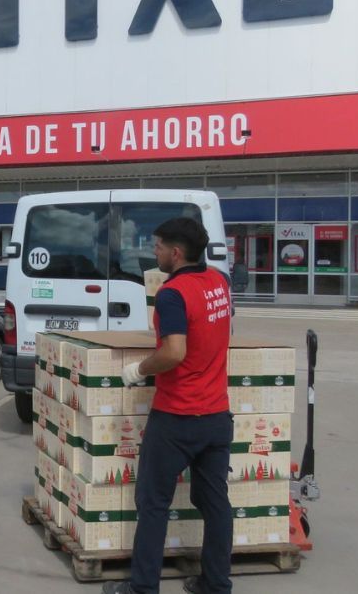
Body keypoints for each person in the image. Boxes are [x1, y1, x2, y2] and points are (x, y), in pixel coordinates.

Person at [102, 218, 234, 594]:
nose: (154, 252)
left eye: (158, 246)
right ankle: (216, 584)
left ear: (176, 253)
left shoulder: (173, 293)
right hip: (217, 415)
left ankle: (143, 588)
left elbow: (175, 351)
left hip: (177, 416)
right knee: (215, 504)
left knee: (153, 502)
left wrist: (139, 369)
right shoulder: (219, 284)